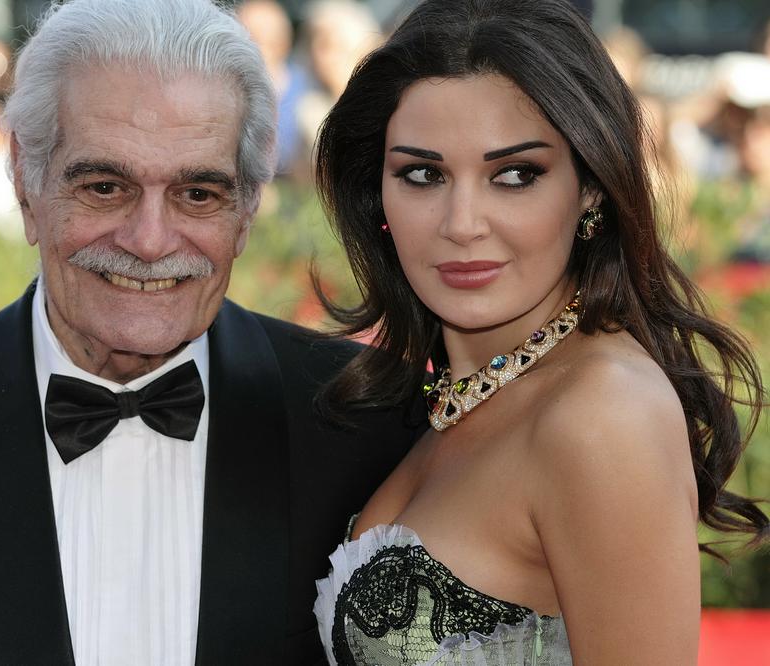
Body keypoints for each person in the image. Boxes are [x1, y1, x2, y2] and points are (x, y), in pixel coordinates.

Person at [0, 0, 425, 664]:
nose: (149, 240)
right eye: (105, 187)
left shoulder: (368, 429)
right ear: (25, 181)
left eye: (198, 194)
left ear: (249, 206)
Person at [311, 0, 769, 664]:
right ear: (375, 193)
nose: (462, 223)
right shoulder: (457, 398)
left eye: (515, 175)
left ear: (591, 188)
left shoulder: (602, 412)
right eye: (423, 174)